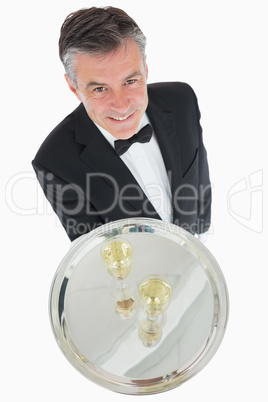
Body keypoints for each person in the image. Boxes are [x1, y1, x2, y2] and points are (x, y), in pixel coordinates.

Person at [32, 6, 211, 242]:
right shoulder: (54, 161)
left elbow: (199, 190)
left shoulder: (182, 100)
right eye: (99, 88)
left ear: (146, 69)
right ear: (73, 87)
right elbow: (96, 257)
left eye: (130, 81)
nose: (121, 105)